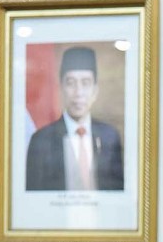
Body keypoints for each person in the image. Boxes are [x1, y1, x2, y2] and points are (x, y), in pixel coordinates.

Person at [25, 46, 124, 192]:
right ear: (61, 88)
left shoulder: (110, 136)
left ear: (95, 90)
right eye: (71, 83)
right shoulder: (41, 140)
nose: (78, 93)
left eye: (85, 83)